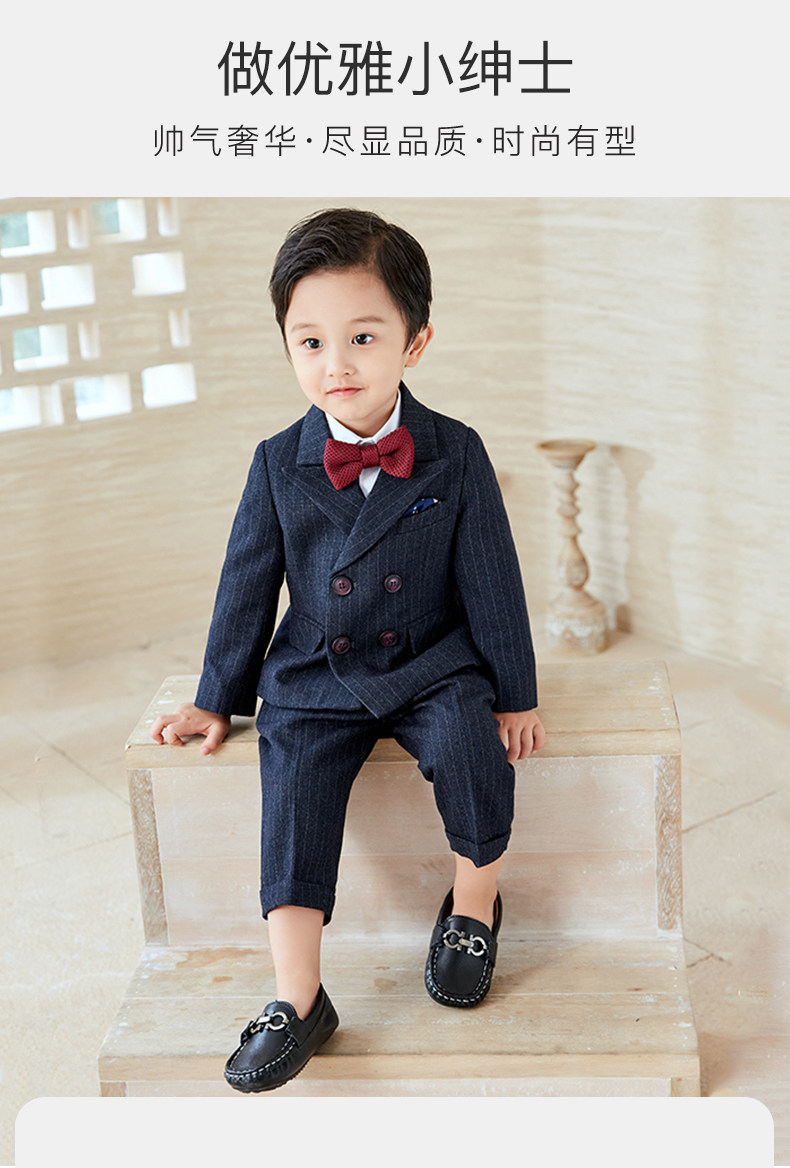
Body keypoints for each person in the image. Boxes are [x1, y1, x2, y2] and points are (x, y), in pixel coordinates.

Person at [151, 207, 546, 1093]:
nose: (336, 364)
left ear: (416, 341)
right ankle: (297, 997)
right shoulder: (275, 462)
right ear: (288, 348)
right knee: (292, 784)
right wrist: (217, 696)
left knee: (471, 747)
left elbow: (494, 580)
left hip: (430, 660)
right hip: (314, 670)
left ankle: (474, 906)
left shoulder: (456, 452)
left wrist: (515, 693)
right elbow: (246, 585)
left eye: (363, 337)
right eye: (311, 342)